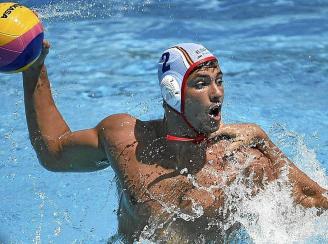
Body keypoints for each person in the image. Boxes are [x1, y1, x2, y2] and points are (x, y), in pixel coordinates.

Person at [22, 41, 328, 243]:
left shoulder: (241, 160)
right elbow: (54, 152)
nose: (217, 92)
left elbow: (318, 204)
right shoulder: (125, 140)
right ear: (172, 91)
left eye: (219, 80)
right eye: (201, 83)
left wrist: (267, 143)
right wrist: (34, 67)